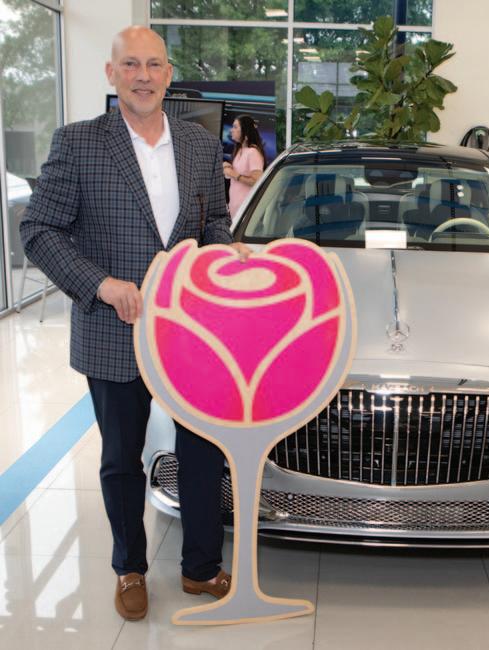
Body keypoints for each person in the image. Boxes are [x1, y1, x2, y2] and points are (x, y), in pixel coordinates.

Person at [19, 26, 251, 621]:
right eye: (130, 65)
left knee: (203, 453)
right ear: (112, 73)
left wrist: (225, 256)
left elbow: (213, 223)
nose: (142, 76)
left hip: (190, 333)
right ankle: (130, 568)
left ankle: (201, 567)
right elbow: (39, 230)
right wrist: (101, 284)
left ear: (169, 74)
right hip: (112, 330)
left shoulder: (199, 145)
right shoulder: (78, 142)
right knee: (122, 459)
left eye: (153, 65)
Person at [222, 115, 265, 222]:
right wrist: (227, 167)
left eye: (235, 127)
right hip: (236, 210)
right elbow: (234, 175)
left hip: (246, 211)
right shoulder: (240, 150)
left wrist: (233, 174)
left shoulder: (253, 152)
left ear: (245, 130)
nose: (231, 130)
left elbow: (256, 181)